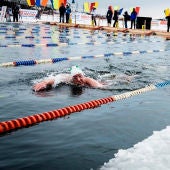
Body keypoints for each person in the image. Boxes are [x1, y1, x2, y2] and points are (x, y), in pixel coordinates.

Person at [33, 66, 105, 92]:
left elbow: (101, 87)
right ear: (72, 77)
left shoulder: (88, 80)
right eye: (75, 77)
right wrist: (44, 83)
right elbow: (55, 78)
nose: (78, 79)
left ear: (83, 75)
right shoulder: (67, 79)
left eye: (80, 76)